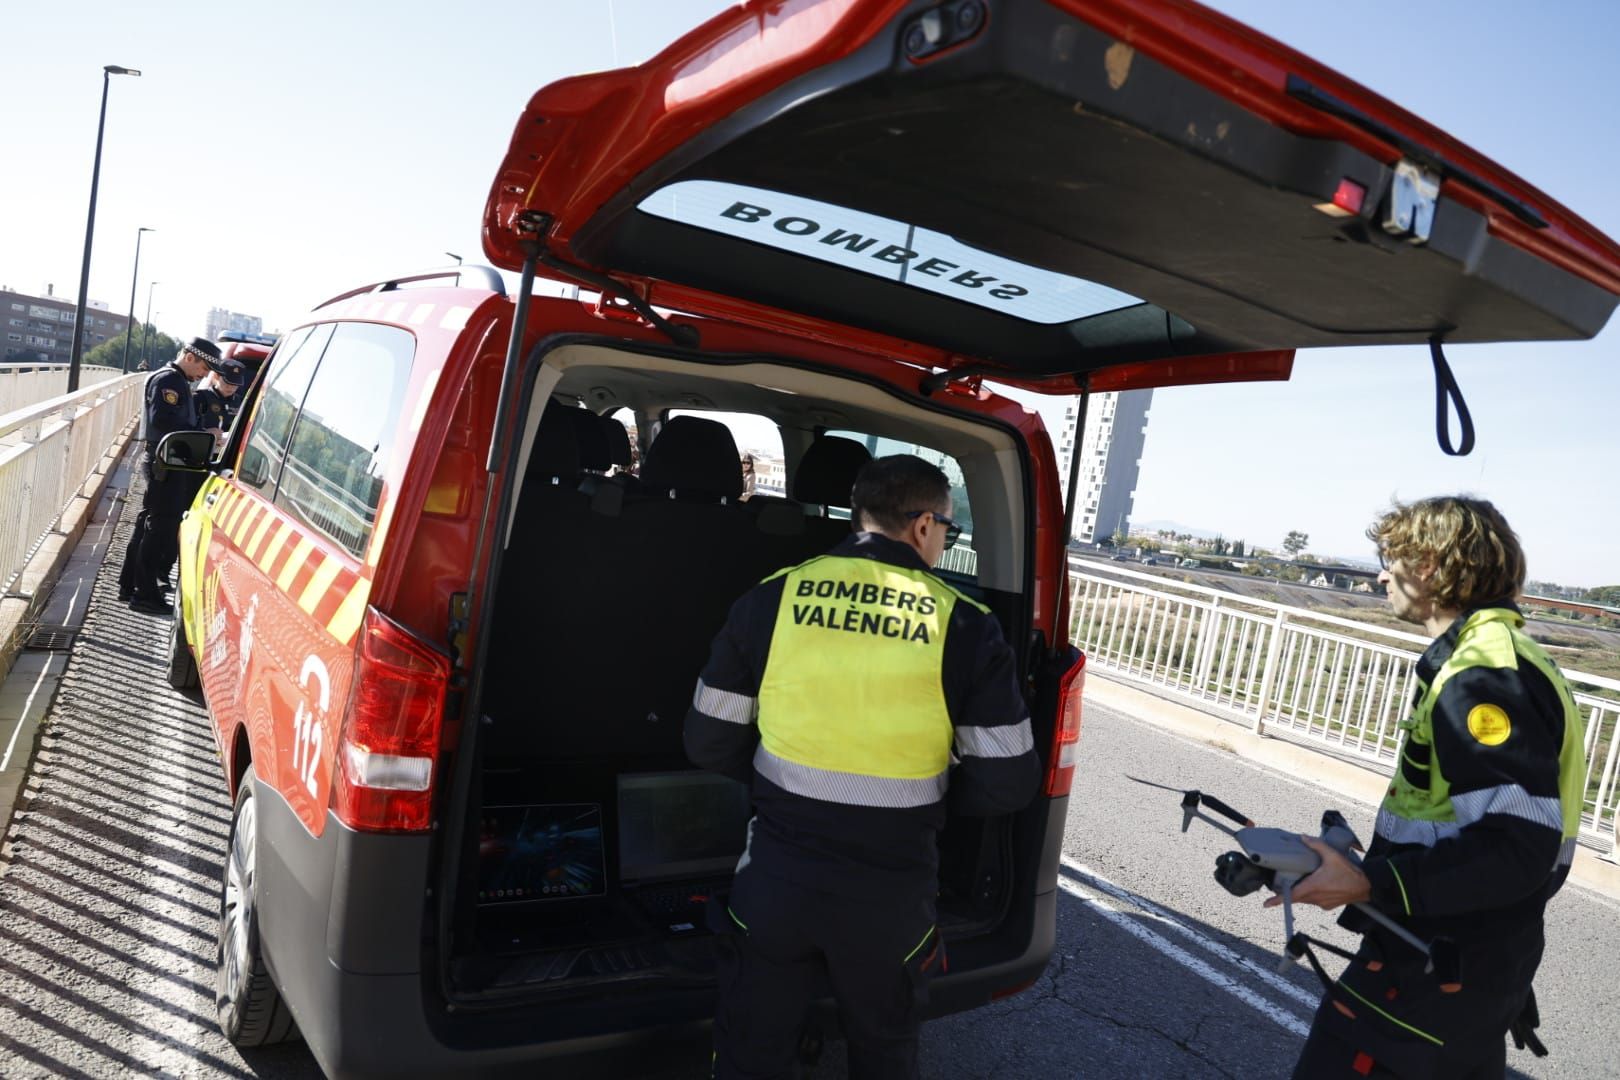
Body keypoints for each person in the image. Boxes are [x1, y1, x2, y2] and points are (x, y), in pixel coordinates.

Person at [686, 454, 1040, 1079]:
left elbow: (709, 741)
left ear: (861, 516)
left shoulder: (773, 596)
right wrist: (925, 798)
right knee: (884, 1051)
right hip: (891, 897)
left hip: (775, 883)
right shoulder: (966, 625)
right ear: (925, 526)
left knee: (751, 1049)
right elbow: (1007, 780)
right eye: (950, 531)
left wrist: (784, 781)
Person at [1279, 496, 1588, 1079]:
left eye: (1390, 558)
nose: (1380, 573)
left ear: (1430, 566)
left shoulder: (1481, 677)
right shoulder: (1503, 655)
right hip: (1463, 958)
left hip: (1433, 969)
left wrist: (1371, 880)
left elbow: (1516, 848)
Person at [117, 337, 218, 613]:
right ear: (190, 357)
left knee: (147, 524)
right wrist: (204, 434)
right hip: (166, 462)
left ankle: (130, 586)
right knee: (158, 529)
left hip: (166, 460)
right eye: (204, 368)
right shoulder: (169, 381)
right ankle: (144, 594)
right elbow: (164, 420)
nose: (204, 375)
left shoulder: (174, 380)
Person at [193, 357, 245, 437]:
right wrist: (205, 432)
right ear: (216, 376)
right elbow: (186, 426)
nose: (231, 387)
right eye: (228, 382)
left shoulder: (241, 402)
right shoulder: (200, 398)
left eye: (235, 384)